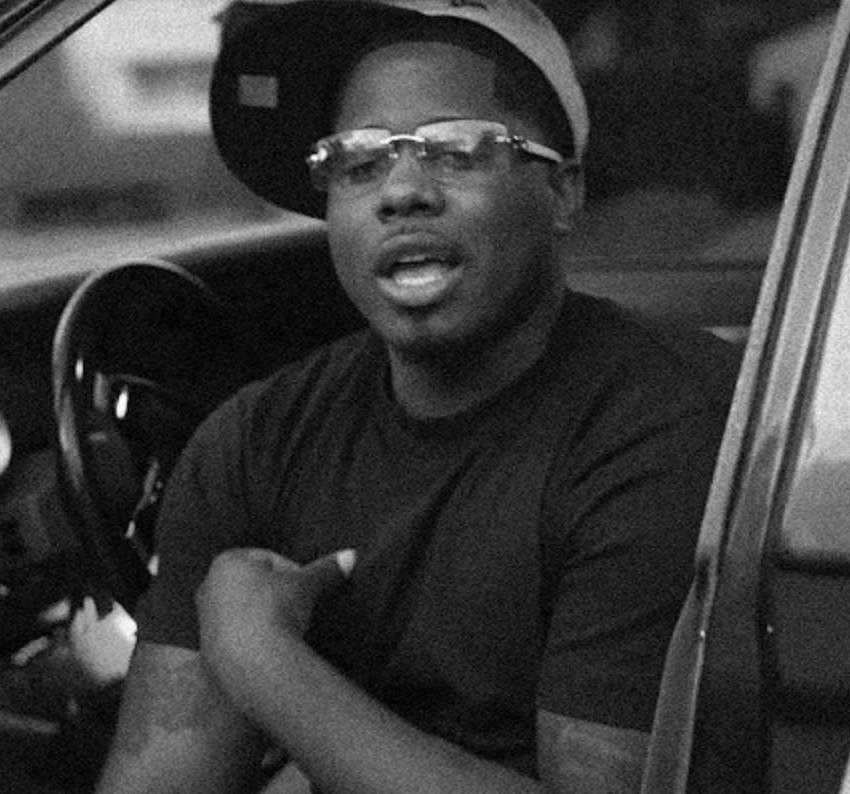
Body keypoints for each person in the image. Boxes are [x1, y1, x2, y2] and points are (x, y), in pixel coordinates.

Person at [95, 1, 732, 791]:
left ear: (563, 194)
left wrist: (265, 662)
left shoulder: (662, 427)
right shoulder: (254, 444)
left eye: (458, 151)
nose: (401, 192)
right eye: (359, 160)